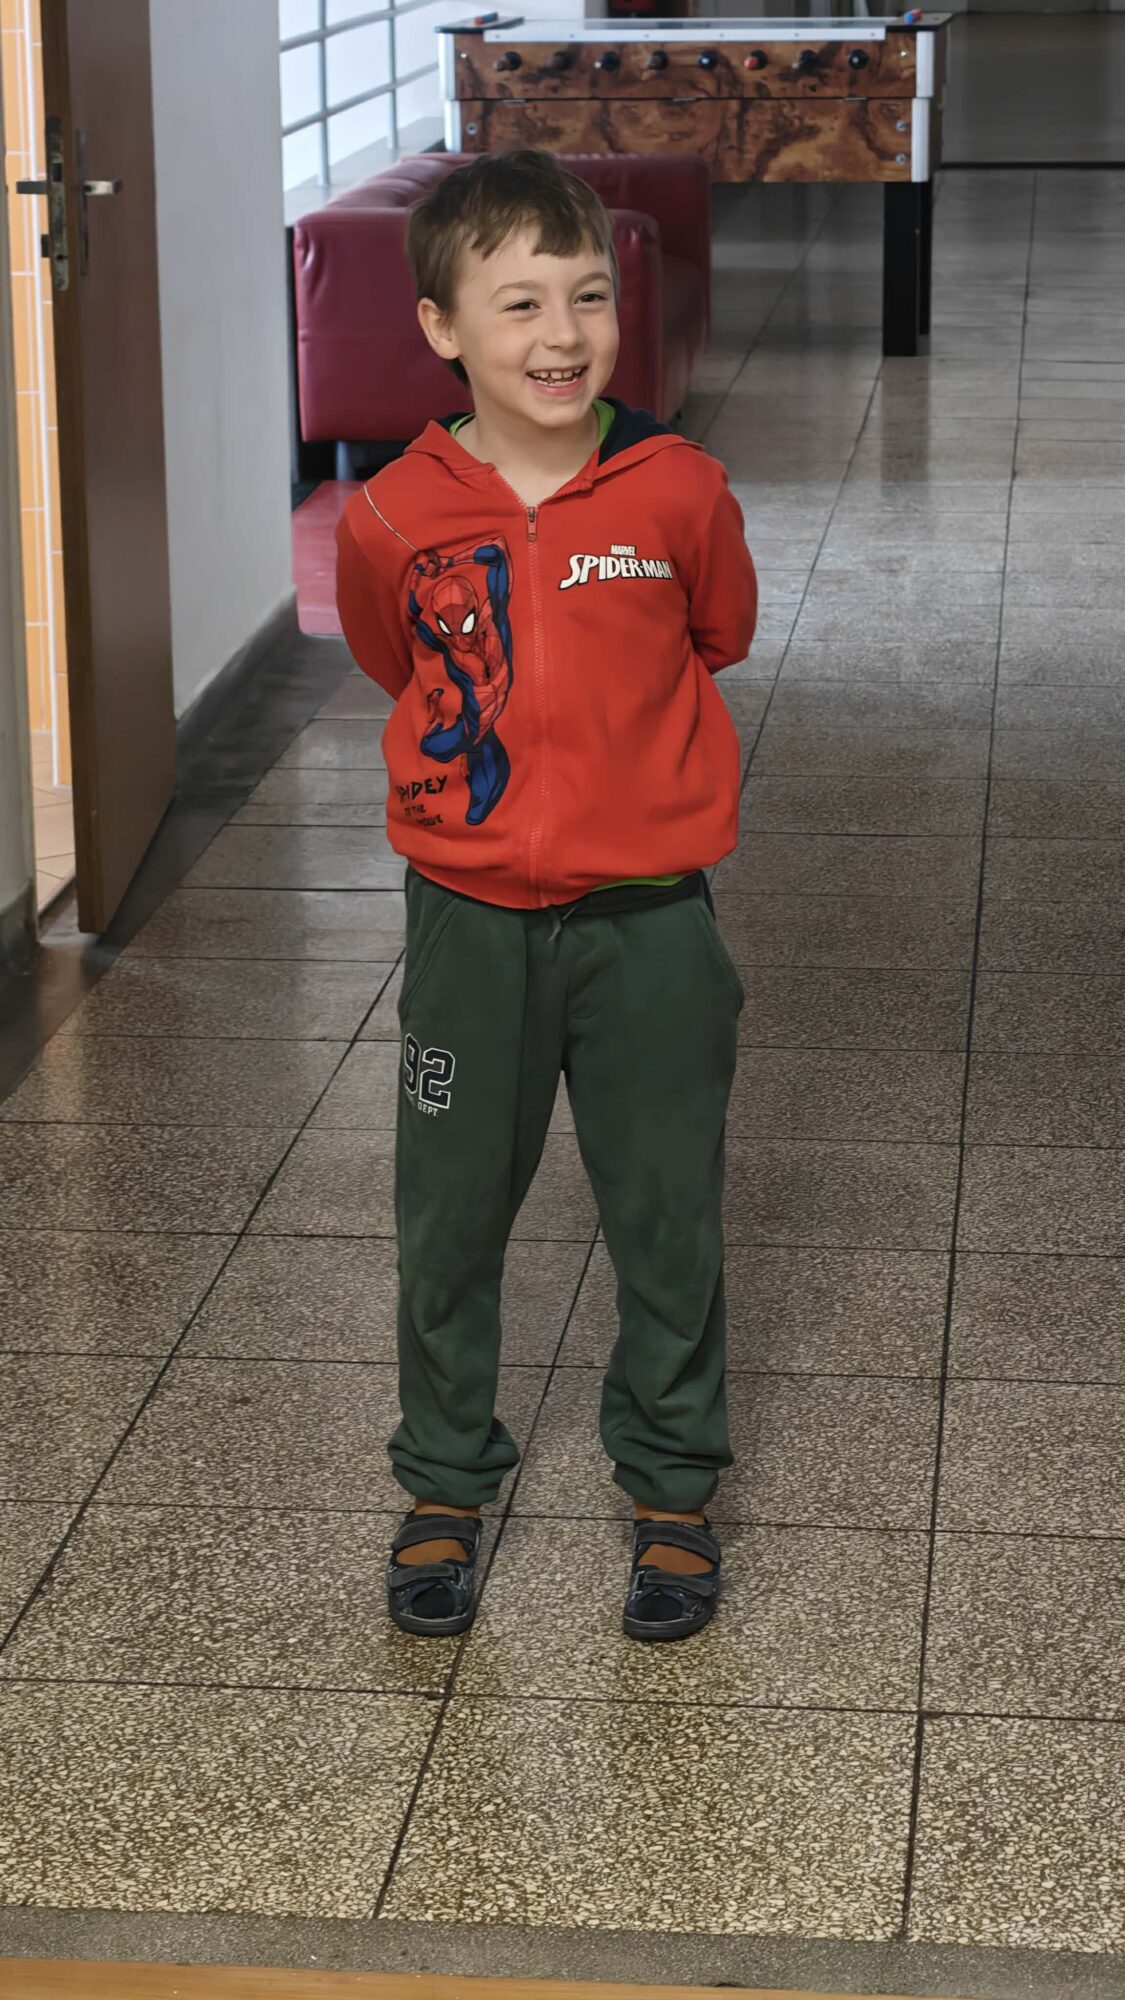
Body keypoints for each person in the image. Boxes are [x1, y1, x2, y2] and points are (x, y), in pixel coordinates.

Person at [335, 149, 756, 1646]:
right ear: (443, 327)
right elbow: (394, 657)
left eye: (588, 295)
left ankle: (673, 1490)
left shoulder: (679, 487)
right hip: (470, 926)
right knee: (448, 1217)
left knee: (666, 1214)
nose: (563, 334)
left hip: (652, 921)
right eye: (519, 304)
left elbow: (714, 632)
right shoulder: (394, 515)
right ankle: (444, 1481)